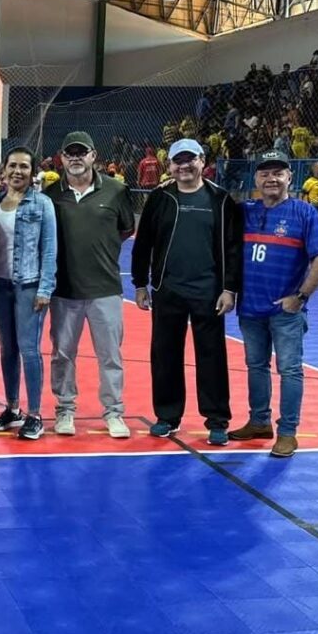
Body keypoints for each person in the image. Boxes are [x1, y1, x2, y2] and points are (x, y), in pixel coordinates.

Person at [132, 139, 242, 446]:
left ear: (202, 160)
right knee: (165, 354)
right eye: (178, 161)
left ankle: (217, 419)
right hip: (168, 290)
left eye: (190, 160)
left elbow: (233, 248)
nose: (184, 166)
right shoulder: (160, 198)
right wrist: (140, 283)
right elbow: (143, 244)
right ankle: (167, 416)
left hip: (209, 292)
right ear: (170, 165)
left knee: (212, 356)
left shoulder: (221, 199)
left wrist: (229, 288)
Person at [230, 150, 318, 457]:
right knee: (256, 366)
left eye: (278, 173)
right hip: (250, 309)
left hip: (285, 311)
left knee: (289, 370)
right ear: (256, 179)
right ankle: (259, 421)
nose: (271, 179)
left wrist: (300, 297)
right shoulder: (244, 211)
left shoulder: (304, 213)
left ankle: (288, 432)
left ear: (290, 177)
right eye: (264, 173)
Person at [43, 132, 135, 438]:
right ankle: (65, 410)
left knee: (110, 356)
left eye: (81, 152)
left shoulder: (116, 191)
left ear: (93, 155)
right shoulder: (50, 195)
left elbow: (125, 229)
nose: (76, 158)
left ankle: (114, 412)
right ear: (62, 158)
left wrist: (101, 253)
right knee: (62, 354)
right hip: (64, 290)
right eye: (70, 153)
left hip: (105, 289)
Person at [0, 147, 57, 440]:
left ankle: (35, 415)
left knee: (29, 349)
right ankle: (12, 408)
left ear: (32, 171)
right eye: (12, 165)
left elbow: (49, 249)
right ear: (3, 169)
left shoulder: (42, 204)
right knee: (7, 349)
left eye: (24, 166)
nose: (17, 171)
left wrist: (45, 288)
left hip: (29, 285)